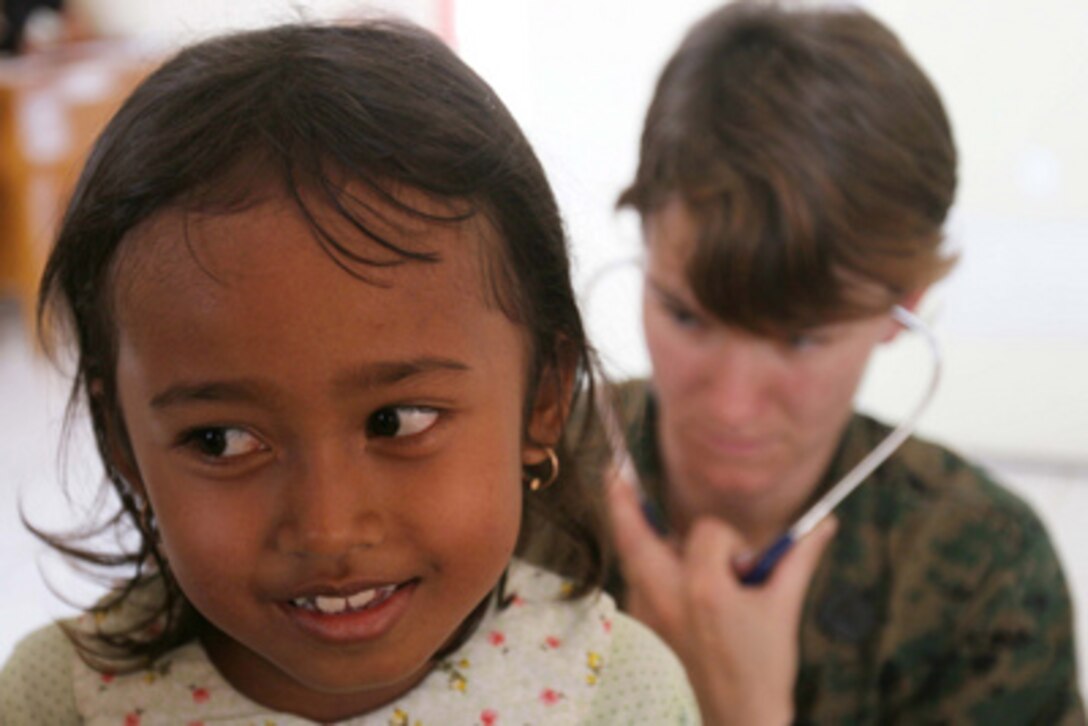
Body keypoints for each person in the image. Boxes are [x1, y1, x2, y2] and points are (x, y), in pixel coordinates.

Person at [0, 20, 698, 723]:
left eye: (397, 421)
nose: (328, 528)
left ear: (543, 396)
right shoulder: (57, 703)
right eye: (222, 440)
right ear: (119, 438)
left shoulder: (615, 696)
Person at [603, 2, 1084, 724]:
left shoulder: (989, 572)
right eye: (686, 316)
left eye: (802, 339)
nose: (732, 405)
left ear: (904, 306)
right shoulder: (513, 476)